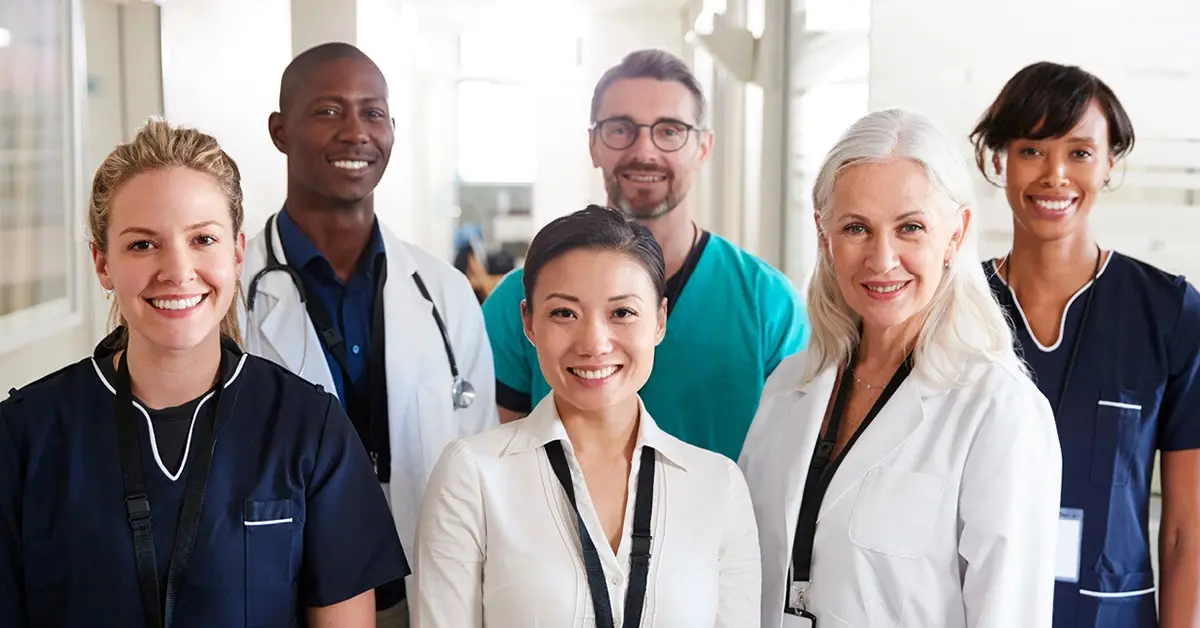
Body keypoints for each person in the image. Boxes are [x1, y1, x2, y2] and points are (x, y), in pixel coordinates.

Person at [0, 120, 406, 627]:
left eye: (202, 239)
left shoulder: (310, 430)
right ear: (102, 263)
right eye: (142, 245)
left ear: (236, 253)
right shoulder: (24, 437)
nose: (177, 269)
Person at [739, 109, 1062, 627]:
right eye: (856, 228)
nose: (882, 259)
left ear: (956, 235)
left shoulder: (1000, 411)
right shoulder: (788, 387)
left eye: (910, 227)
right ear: (825, 237)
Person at [239, 43, 497, 626]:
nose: (356, 132)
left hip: (427, 591)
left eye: (373, 112)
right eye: (329, 111)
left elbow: (481, 461)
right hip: (284, 594)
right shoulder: (233, 296)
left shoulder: (444, 291)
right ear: (281, 131)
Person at [414, 205, 762, 627]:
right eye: (564, 313)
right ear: (528, 322)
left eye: (622, 313)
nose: (594, 343)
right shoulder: (472, 476)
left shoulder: (718, 486)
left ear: (659, 321)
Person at [482, 49, 809, 461]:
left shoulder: (769, 305)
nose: (645, 151)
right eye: (621, 129)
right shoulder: (523, 299)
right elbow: (498, 464)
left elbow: (790, 471)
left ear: (703, 147)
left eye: (670, 131)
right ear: (594, 144)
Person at [972, 61, 1200, 628]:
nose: (1055, 175)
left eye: (1079, 152)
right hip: (975, 610)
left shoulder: (1169, 312)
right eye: (1031, 150)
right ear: (1000, 159)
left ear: (1108, 164)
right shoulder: (956, 307)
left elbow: (1185, 532)